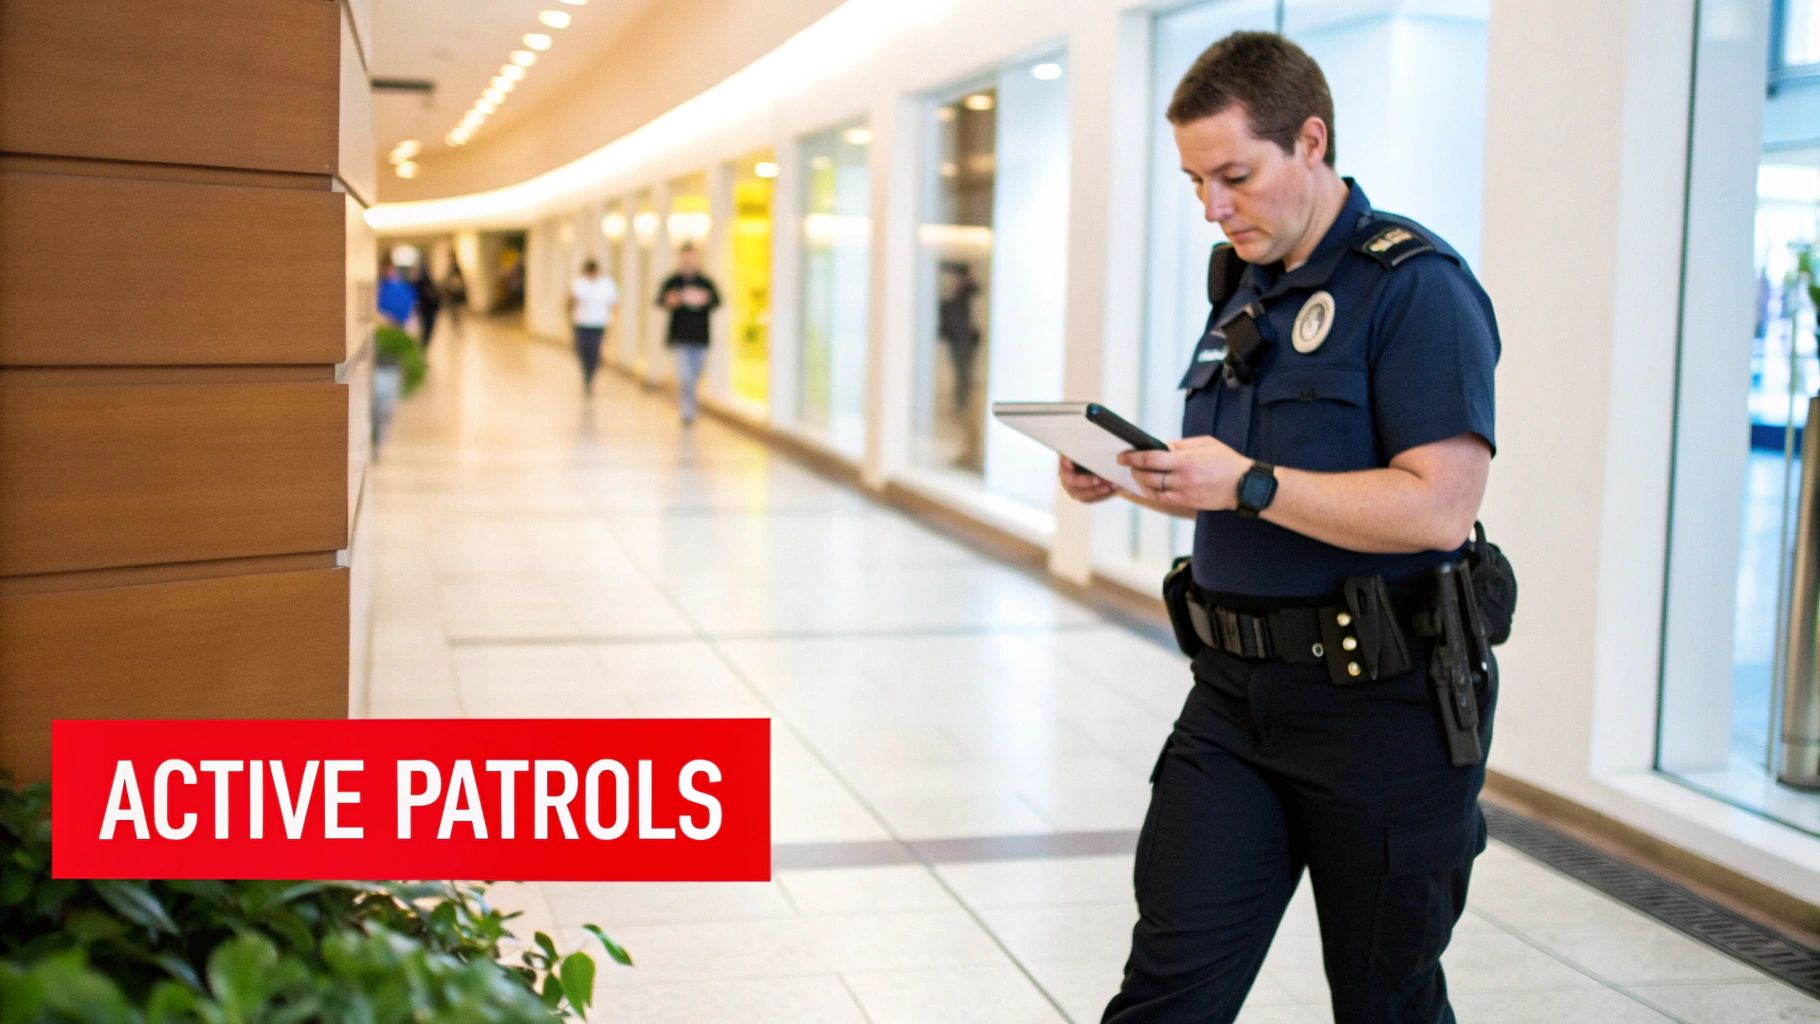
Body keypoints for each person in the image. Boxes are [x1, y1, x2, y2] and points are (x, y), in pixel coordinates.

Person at [1060, 32, 1501, 1024]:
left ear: (1310, 141)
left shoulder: (1414, 289)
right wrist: (1134, 479)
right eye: (1193, 181)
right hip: (1232, 701)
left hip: (1383, 711)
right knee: (1166, 992)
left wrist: (1249, 482)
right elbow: (1241, 491)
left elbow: (1438, 503)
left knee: (1383, 1001)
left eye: (1232, 175)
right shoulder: (1242, 290)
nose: (1212, 208)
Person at [654, 243, 721, 425]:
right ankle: (687, 411)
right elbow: (659, 300)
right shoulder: (673, 281)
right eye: (685, 259)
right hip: (680, 337)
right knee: (684, 376)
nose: (688, 262)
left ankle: (690, 404)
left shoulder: (705, 282)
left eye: (691, 259)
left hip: (701, 337)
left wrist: (702, 298)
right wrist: (672, 300)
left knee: (696, 375)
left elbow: (717, 301)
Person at [569, 258, 619, 396]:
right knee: (581, 351)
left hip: (598, 324)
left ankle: (590, 379)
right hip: (581, 324)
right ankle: (586, 375)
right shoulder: (579, 283)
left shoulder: (606, 284)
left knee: (594, 352)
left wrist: (614, 320)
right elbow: (571, 300)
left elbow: (614, 303)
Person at [937, 261, 982, 412]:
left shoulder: (965, 292)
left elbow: (974, 288)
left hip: (966, 340)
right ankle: (960, 403)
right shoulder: (950, 298)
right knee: (959, 371)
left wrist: (969, 275)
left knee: (964, 372)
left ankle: (962, 403)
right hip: (955, 340)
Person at [376, 260, 417, 330]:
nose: (389, 272)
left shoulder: (403, 285)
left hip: (400, 318)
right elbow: (379, 301)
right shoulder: (382, 285)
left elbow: (410, 300)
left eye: (391, 270)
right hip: (386, 318)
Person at [412, 266, 442, 349]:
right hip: (427, 311)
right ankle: (424, 345)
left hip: (427, 311)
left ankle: (424, 345)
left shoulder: (423, 284)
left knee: (427, 328)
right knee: (426, 328)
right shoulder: (423, 284)